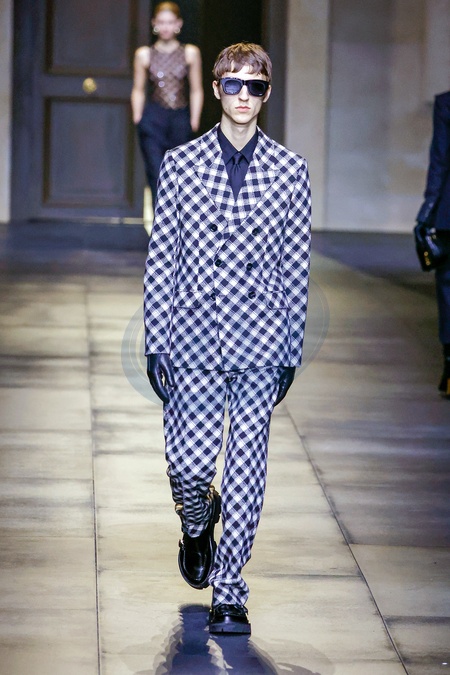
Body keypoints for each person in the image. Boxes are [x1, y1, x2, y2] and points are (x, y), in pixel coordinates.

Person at [143, 42, 312, 635]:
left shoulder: (290, 170)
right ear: (215, 89)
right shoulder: (181, 164)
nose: (244, 95)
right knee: (188, 467)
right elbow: (163, 259)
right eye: (233, 84)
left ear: (267, 93)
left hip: (261, 341)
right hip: (192, 338)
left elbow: (295, 267)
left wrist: (291, 350)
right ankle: (196, 523)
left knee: (246, 469)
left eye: (255, 86)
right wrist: (155, 339)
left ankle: (231, 591)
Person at [131, 2, 203, 208]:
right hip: (154, 117)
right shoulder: (144, 54)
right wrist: (138, 117)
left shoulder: (190, 53)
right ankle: (160, 221)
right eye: (161, 22)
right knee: (155, 172)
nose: (165, 27)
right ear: (154, 23)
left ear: (178, 24)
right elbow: (138, 88)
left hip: (180, 118)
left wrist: (194, 119)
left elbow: (196, 88)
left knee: (181, 174)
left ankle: (178, 221)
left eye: (170, 22)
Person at [416, 91, 450, 395]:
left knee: (449, 288)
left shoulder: (447, 103)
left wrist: (426, 213)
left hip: (448, 214)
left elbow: (440, 160)